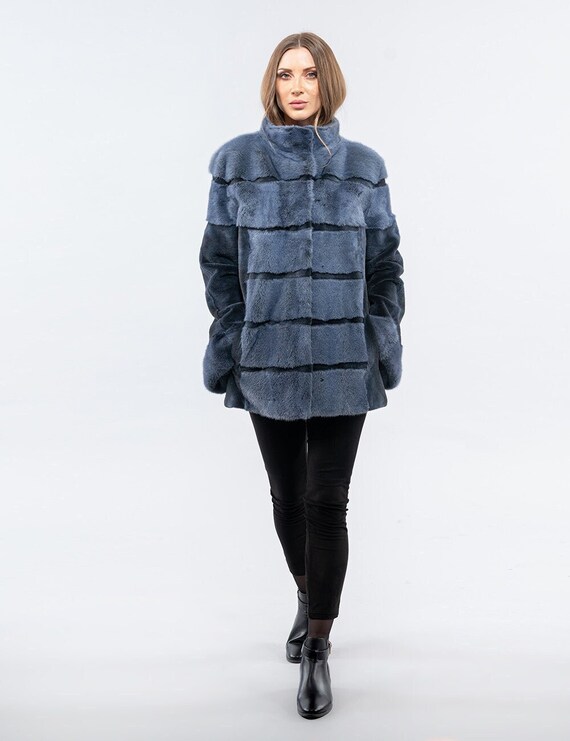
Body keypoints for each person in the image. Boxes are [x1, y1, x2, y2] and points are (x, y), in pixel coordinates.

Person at [199, 31, 405, 720]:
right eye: (286, 74)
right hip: (268, 358)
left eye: (309, 75)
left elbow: (386, 262)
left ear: (327, 83)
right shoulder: (236, 164)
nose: (296, 86)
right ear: (272, 83)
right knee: (287, 497)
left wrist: (377, 332)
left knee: (326, 501)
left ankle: (318, 643)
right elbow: (217, 262)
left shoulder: (364, 167)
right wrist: (235, 332)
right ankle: (305, 589)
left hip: (346, 361)